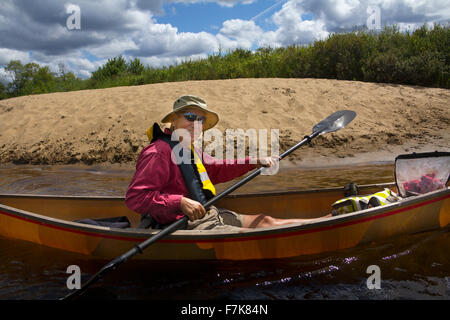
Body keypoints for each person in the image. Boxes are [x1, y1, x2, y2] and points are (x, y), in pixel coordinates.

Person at [125, 95, 330, 231]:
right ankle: (325, 226)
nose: (196, 124)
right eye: (190, 117)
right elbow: (136, 197)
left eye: (201, 120)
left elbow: (217, 169)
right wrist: (179, 202)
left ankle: (326, 222)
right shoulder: (158, 153)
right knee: (247, 234)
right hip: (181, 226)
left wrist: (255, 162)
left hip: (207, 214)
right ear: (174, 121)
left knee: (265, 221)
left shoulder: (189, 148)